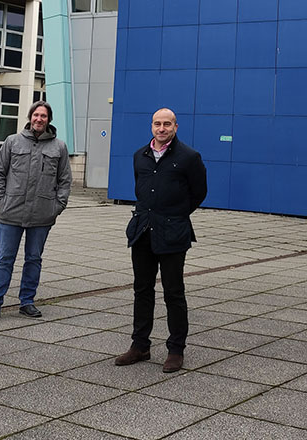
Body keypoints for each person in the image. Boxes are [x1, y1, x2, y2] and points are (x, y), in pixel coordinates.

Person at [115, 108, 207, 373]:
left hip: (173, 233)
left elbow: (199, 192)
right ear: (151, 126)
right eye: (157, 123)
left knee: (174, 292)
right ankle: (140, 346)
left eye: (167, 124)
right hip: (143, 231)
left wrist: (176, 215)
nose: (162, 128)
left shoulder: (189, 157)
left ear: (176, 127)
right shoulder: (140, 156)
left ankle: (176, 349)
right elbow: (140, 190)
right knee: (142, 290)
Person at [0, 101, 72, 323]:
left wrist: (57, 207)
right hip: (11, 213)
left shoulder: (59, 147)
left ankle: (27, 302)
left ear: (49, 119)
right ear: (30, 117)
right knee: (4, 259)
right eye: (36, 115)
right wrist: (1, 202)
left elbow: (65, 180)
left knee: (34, 259)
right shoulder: (12, 142)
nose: (39, 119)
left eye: (44, 116)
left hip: (42, 215)